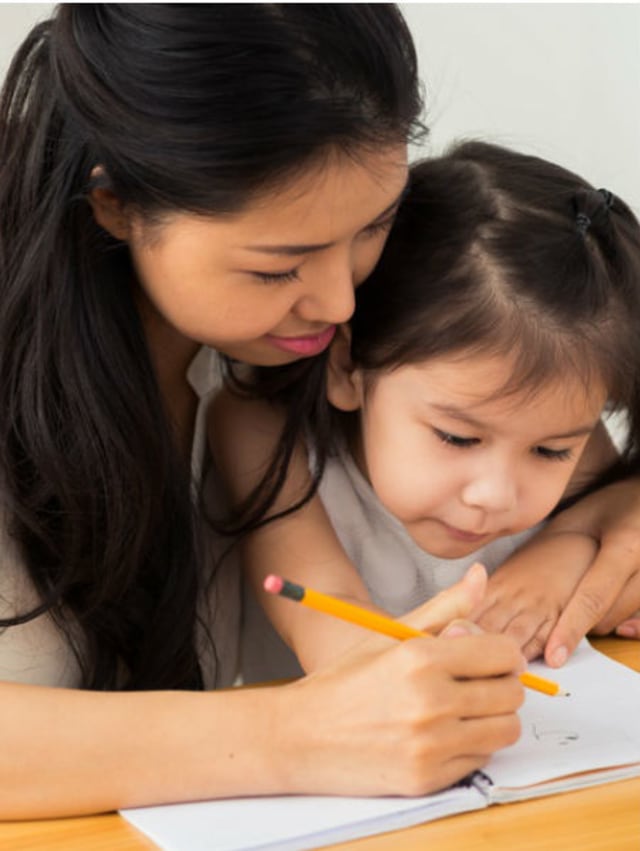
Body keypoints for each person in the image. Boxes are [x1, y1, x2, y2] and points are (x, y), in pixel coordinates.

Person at [0, 4, 535, 818]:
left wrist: (602, 526)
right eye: (276, 268)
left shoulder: (296, 339)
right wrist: (298, 732)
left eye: (375, 226)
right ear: (115, 205)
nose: (340, 300)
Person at [208, 141, 640, 683]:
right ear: (347, 365)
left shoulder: (560, 424)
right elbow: (328, 624)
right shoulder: (262, 427)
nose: (494, 496)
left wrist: (567, 549)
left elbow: (617, 534)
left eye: (551, 452)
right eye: (457, 438)